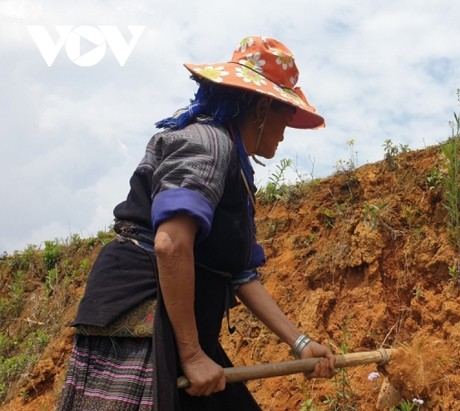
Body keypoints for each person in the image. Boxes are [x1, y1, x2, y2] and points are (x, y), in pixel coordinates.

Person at [57, 35, 336, 411]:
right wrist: (190, 354)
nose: (288, 126)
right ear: (260, 108)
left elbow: (241, 275)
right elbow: (170, 244)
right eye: (285, 111)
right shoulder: (209, 143)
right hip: (145, 319)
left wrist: (300, 344)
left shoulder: (234, 168)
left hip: (181, 327)